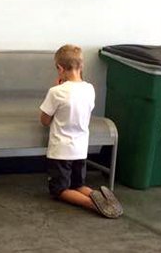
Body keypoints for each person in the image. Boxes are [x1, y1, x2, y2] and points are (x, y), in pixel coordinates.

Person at [39, 45, 123, 219]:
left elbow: (44, 120)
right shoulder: (89, 89)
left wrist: (57, 88)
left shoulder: (56, 92)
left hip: (61, 150)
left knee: (59, 189)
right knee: (78, 184)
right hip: (80, 148)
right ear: (81, 67)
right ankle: (99, 196)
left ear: (60, 68)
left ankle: (93, 204)